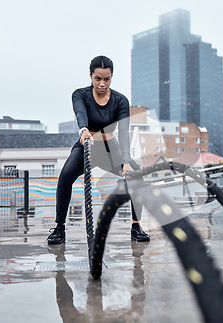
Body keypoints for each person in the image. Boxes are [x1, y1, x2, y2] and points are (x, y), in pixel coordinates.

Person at [47, 55, 150, 244]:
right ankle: (59, 228)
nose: (102, 83)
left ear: (112, 77)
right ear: (91, 76)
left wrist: (126, 159)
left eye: (106, 79)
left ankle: (136, 227)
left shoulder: (120, 100)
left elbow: (124, 131)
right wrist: (84, 130)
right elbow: (80, 113)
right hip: (86, 146)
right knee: (65, 177)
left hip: (110, 148)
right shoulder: (80, 94)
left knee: (137, 175)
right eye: (98, 79)